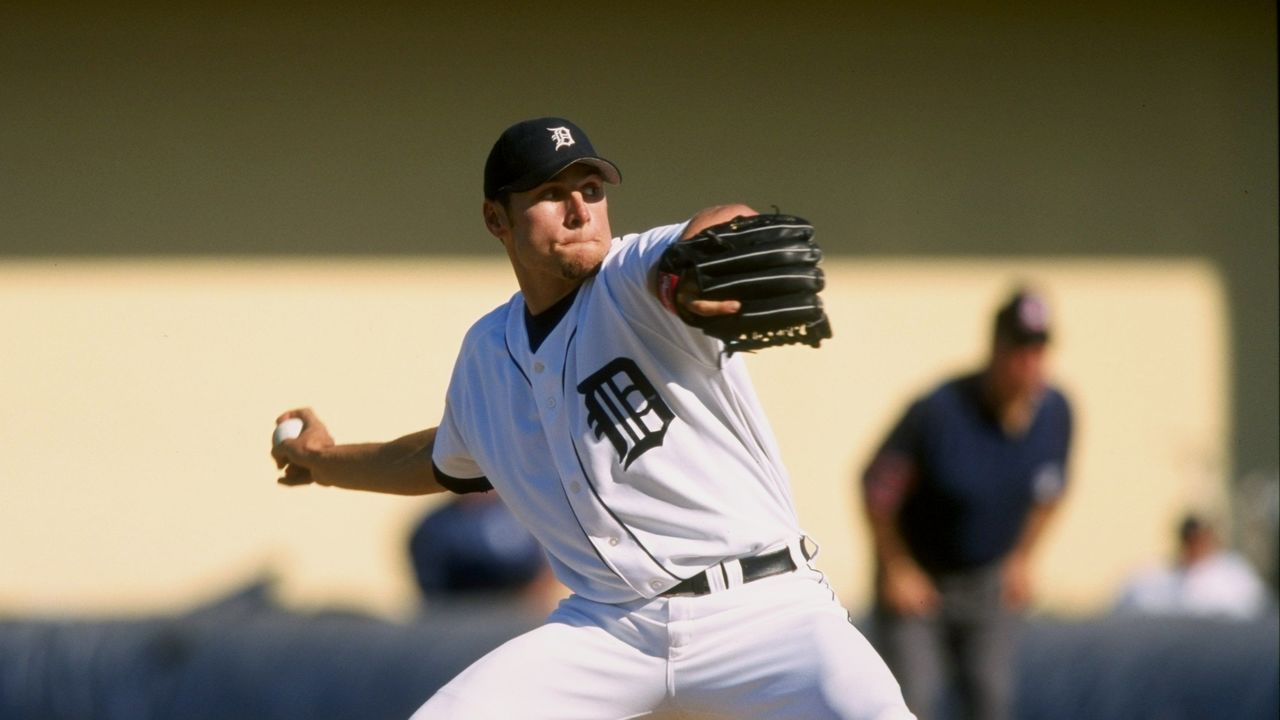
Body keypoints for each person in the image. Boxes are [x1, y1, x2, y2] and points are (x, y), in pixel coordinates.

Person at [272, 117, 914, 720]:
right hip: (609, 630)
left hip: (765, 611)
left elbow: (719, 223)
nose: (582, 209)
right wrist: (322, 461)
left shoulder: (637, 279)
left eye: (591, 188)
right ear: (497, 218)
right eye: (553, 193)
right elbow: (442, 457)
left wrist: (703, 258)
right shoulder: (486, 354)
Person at [859, 288, 1072, 720]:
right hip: (922, 583)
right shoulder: (940, 412)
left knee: (990, 699)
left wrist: (1023, 557)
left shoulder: (1055, 412)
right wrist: (897, 568)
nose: (1029, 363)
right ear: (996, 349)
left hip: (988, 582)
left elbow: (1050, 491)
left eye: (1038, 350)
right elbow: (876, 488)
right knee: (908, 703)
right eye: (1019, 350)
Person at [408, 492, 565, 615]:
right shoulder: (437, 526)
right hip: (461, 621)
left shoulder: (525, 515)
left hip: (521, 615)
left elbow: (547, 566)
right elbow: (435, 588)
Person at [1115, 512, 1272, 620]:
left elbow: (1254, 611)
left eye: (1201, 539)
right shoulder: (1154, 577)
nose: (1196, 545)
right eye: (1191, 539)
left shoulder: (1235, 576)